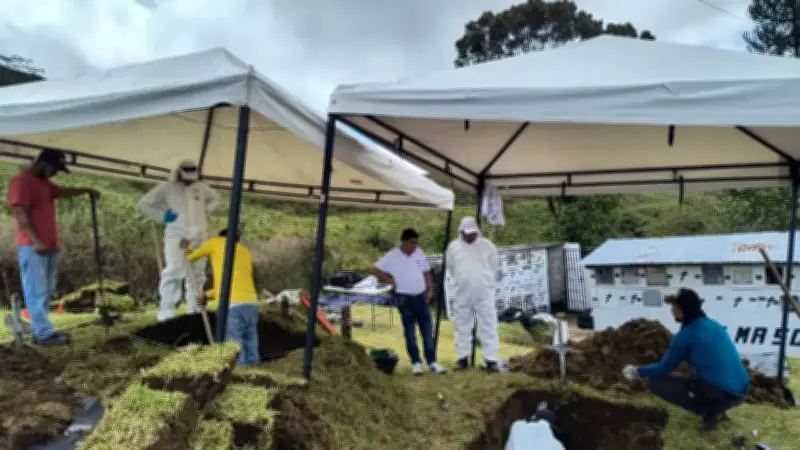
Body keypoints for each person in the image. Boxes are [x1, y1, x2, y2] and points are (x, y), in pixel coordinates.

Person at [622, 288, 750, 432]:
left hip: (722, 392)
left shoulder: (684, 337)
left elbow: (664, 368)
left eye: (674, 307)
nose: (671, 311)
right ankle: (718, 408)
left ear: (683, 310)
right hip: (742, 391)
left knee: (657, 382)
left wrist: (636, 371)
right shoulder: (714, 325)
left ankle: (709, 413)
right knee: (698, 378)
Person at [8, 149, 100, 346]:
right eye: (54, 169)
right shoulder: (22, 181)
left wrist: (86, 190)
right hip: (32, 247)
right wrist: (37, 241)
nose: (55, 173)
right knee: (36, 289)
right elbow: (20, 212)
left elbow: (61, 191)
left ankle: (42, 330)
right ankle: (43, 334)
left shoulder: (44, 184)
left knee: (47, 290)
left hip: (50, 246)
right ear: (42, 164)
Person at [139, 159, 219, 321]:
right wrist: (162, 216)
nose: (190, 180)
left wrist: (205, 210)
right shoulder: (167, 187)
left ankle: (195, 311)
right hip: (176, 235)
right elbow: (144, 205)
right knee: (174, 271)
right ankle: (167, 311)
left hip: (198, 237)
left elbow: (216, 198)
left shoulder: (201, 188)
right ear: (179, 173)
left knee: (197, 275)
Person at [374, 228, 446, 375]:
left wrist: (430, 289)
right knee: (410, 331)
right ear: (404, 242)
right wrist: (390, 280)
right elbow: (376, 269)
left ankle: (432, 362)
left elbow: (426, 271)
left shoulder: (418, 253)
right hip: (403, 298)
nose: (415, 246)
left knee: (427, 330)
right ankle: (416, 362)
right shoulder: (392, 256)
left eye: (417, 243)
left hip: (420, 296)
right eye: (412, 243)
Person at [183, 229, 260, 366]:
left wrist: (186, 247)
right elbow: (232, 283)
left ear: (221, 237)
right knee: (250, 341)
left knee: (234, 345)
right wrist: (206, 295)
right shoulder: (245, 251)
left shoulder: (215, 243)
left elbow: (191, 257)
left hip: (232, 305)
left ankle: (240, 376)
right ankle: (255, 374)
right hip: (251, 303)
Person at [446, 217, 500, 372]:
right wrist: (462, 280)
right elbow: (451, 268)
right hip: (462, 292)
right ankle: (462, 358)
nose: (470, 236)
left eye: (473, 233)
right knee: (462, 325)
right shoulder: (453, 247)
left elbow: (494, 267)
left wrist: (484, 282)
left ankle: (491, 360)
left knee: (488, 325)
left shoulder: (487, 246)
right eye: (467, 233)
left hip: (484, 292)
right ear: (461, 231)